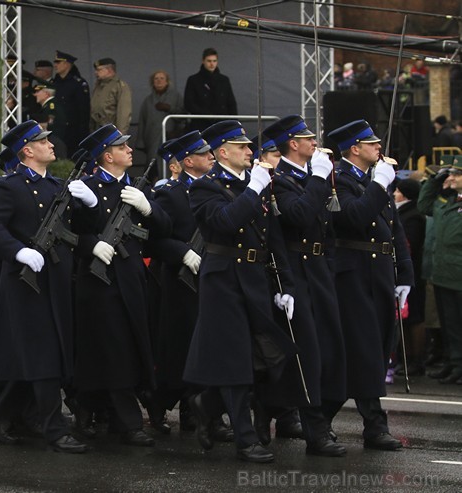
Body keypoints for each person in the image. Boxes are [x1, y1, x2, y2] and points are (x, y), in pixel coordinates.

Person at [0, 120, 97, 453]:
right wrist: (18, 251)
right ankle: (54, 429)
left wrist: (91, 204)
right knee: (43, 356)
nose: (51, 144)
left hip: (56, 281)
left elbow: (81, 228)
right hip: (25, 285)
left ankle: (4, 414)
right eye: (43, 141)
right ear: (27, 150)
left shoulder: (58, 186)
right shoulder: (9, 186)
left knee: (36, 355)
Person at [185, 120, 297, 463]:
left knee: (268, 355)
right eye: (242, 147)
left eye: (250, 147)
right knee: (236, 360)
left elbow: (273, 238)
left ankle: (208, 403)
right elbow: (223, 222)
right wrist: (254, 192)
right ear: (222, 152)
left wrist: (285, 285)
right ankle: (245, 439)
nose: (251, 152)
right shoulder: (206, 187)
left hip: (255, 276)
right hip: (224, 280)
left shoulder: (256, 183)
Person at [72, 124, 171, 447]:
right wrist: (91, 244)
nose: (130, 150)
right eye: (122, 147)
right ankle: (123, 420)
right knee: (106, 350)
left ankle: (97, 411)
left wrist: (149, 207)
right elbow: (70, 229)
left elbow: (164, 228)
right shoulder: (87, 187)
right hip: (100, 281)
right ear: (106, 155)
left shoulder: (137, 188)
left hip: (131, 279)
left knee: (128, 349)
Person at [263, 115, 348, 457]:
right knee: (308, 356)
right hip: (295, 271)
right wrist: (317, 177)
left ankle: (318, 418)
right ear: (293, 144)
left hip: (319, 270)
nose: (315, 143)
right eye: (307, 139)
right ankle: (315, 431)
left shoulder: (310, 177)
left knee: (332, 352)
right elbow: (297, 216)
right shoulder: (278, 179)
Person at [325, 119, 413, 450]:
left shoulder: (376, 179)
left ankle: (321, 418)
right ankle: (373, 425)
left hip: (379, 271)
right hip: (352, 272)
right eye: (371, 143)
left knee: (375, 348)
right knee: (363, 349)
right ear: (354, 149)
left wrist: (404, 272)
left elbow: (394, 225)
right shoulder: (339, 180)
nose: (379, 147)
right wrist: (378, 186)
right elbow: (353, 218)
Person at [145, 131, 234, 441]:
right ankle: (164, 403)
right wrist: (182, 252)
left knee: (211, 346)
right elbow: (156, 239)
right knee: (181, 348)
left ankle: (207, 414)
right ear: (186, 162)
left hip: (214, 275)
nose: (211, 156)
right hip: (181, 280)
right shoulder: (170, 193)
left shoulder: (217, 188)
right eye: (203, 153)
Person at [417, 157, 462, 384]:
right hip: (443, 275)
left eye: (456, 174)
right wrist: (436, 178)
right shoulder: (446, 202)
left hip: (459, 277)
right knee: (450, 326)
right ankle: (454, 364)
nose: (451, 178)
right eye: (450, 174)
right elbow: (423, 205)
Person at [393, 178, 426, 378]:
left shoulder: (413, 216)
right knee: (403, 318)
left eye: (397, 190)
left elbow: (409, 244)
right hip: (403, 272)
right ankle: (405, 358)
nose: (394, 194)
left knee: (414, 317)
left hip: (412, 273)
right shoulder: (403, 212)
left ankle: (416, 360)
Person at [137, 70, 184, 167]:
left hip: (171, 138)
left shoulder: (176, 97)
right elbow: (142, 121)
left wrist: (169, 108)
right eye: (156, 78)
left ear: (167, 81)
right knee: (153, 164)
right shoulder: (148, 101)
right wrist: (141, 142)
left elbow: (183, 115)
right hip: (152, 139)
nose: (159, 81)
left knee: (171, 164)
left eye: (162, 78)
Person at [183, 48, 238, 131]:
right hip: (201, 124)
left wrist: (235, 123)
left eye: (214, 61)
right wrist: (206, 115)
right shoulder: (193, 80)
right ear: (203, 61)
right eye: (209, 61)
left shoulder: (224, 80)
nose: (212, 64)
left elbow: (231, 103)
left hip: (222, 124)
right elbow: (188, 103)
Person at [52, 50, 90, 155]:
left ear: (67, 63)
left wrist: (83, 134)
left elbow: (84, 111)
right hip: (57, 130)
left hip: (73, 132)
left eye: (58, 62)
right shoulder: (54, 82)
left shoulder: (78, 83)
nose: (55, 65)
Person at [89, 58, 132, 133]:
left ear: (109, 70)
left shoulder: (119, 86)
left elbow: (123, 113)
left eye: (99, 70)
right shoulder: (98, 86)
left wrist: (120, 135)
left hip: (111, 130)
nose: (96, 73)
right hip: (97, 129)